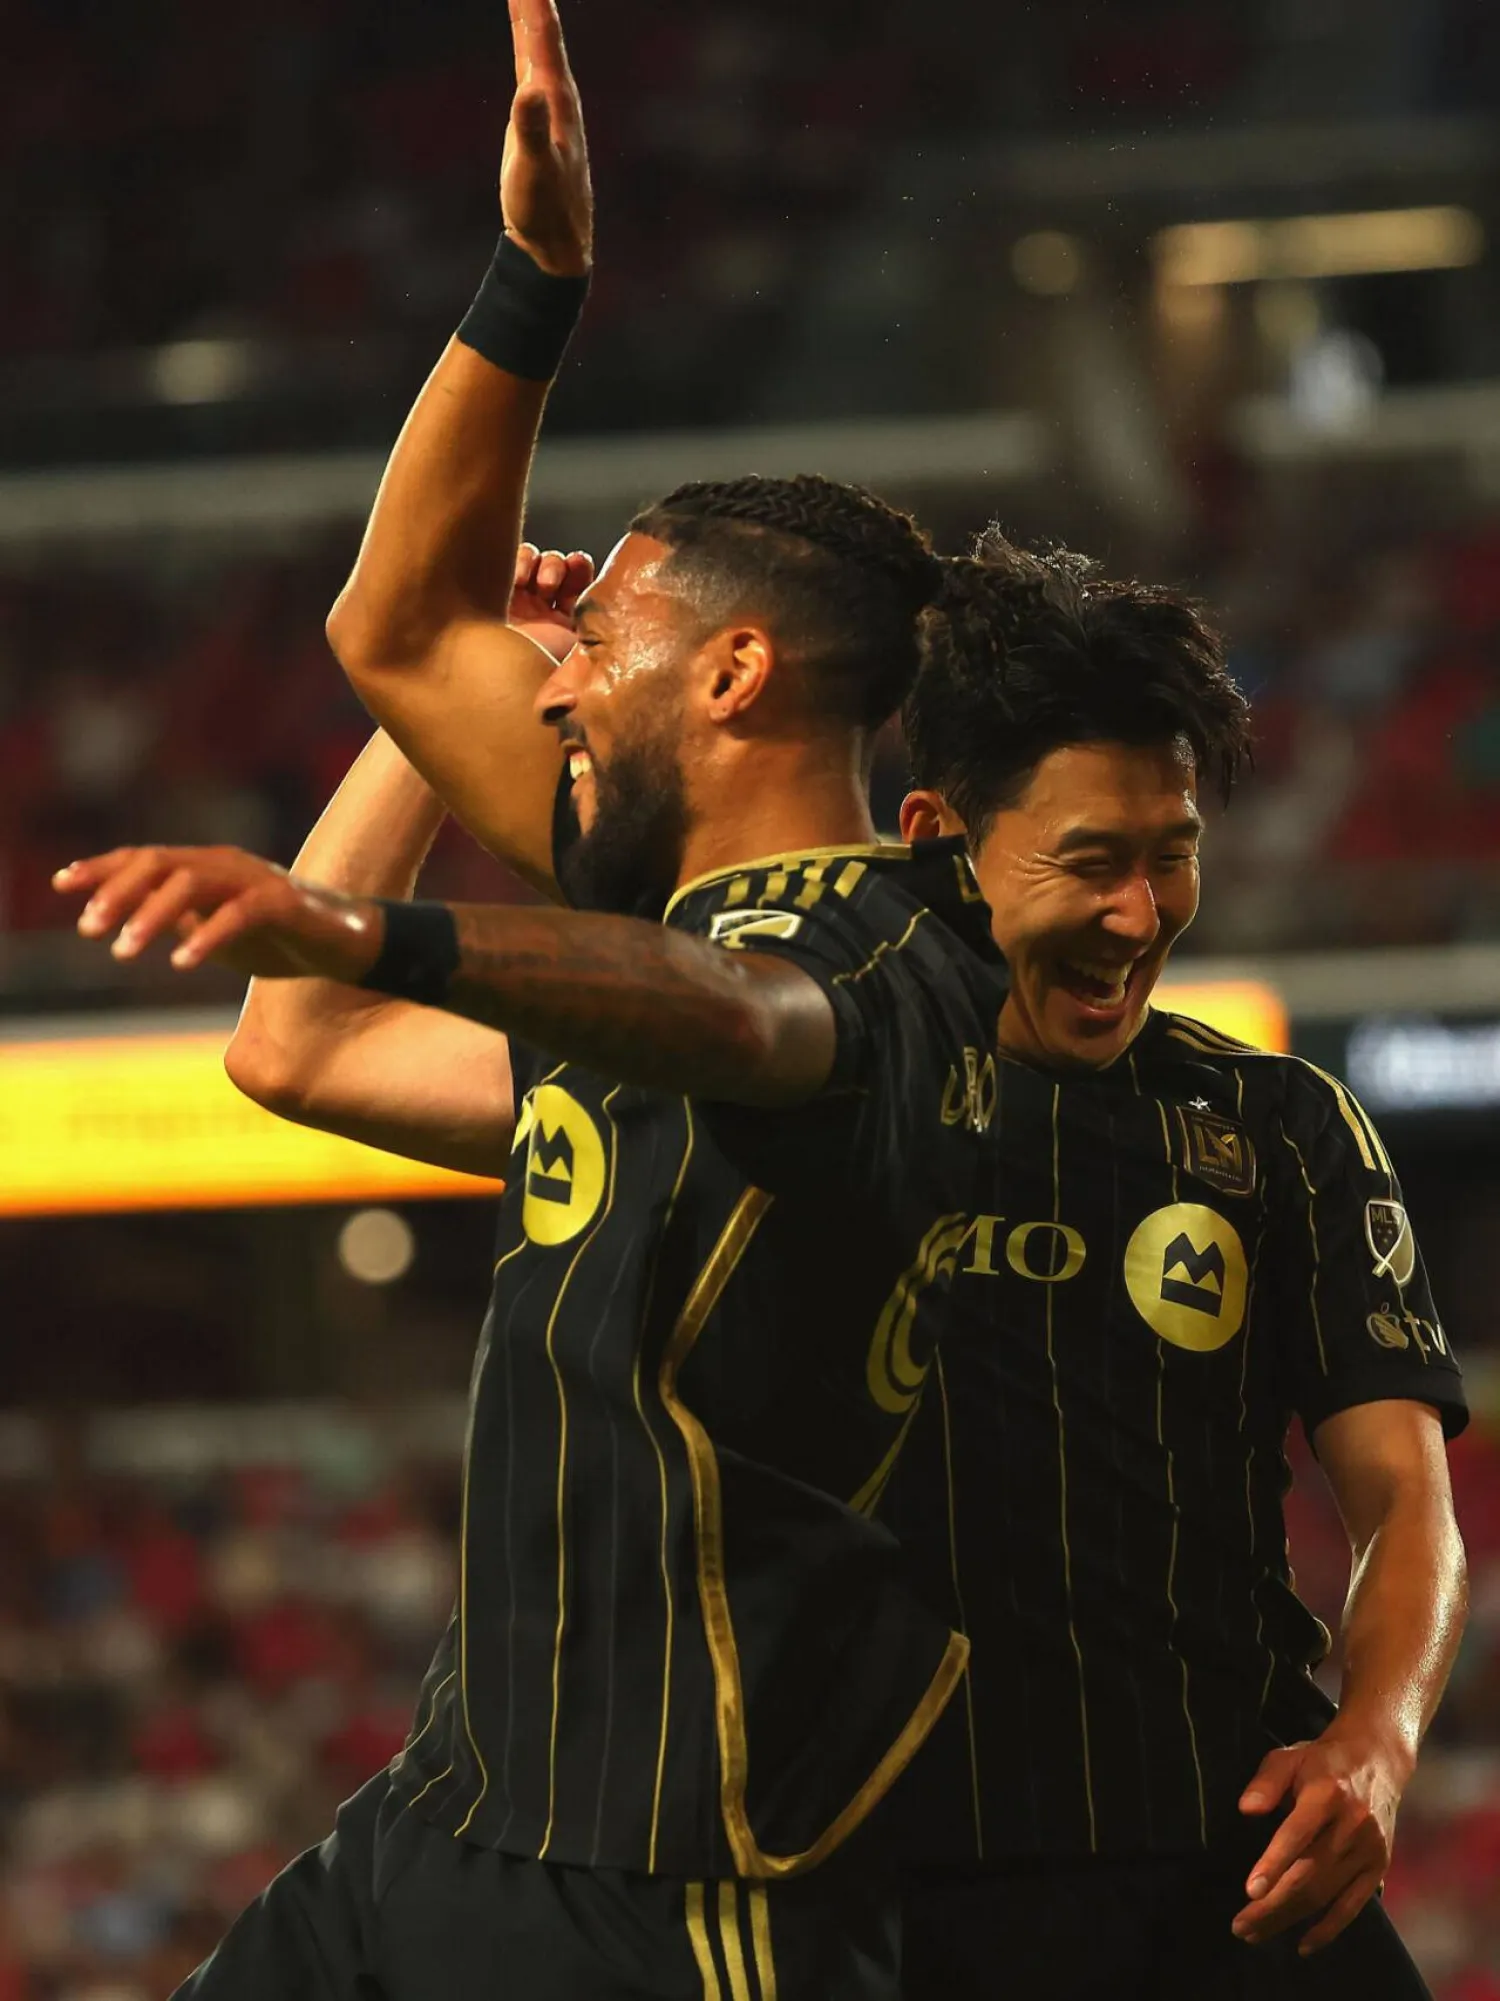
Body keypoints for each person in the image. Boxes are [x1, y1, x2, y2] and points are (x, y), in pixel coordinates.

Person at [52, 7, 1011, 1997]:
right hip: (445, 1822)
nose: (563, 673)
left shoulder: (898, 961)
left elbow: (731, 1017)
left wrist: (376, 935)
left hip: (685, 1887)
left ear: (736, 676)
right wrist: (535, 285)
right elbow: (293, 1014)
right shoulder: (629, 937)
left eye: (606, 637)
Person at [886, 531, 1469, 1999]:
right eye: (1091, 863)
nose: (1141, 917)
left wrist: (1377, 1746)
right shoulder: (821, 1101)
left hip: (1230, 1874)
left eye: (1175, 856)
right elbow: (301, 1052)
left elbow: (1409, 1504)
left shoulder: (1277, 1128)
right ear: (935, 837)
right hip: (895, 1899)